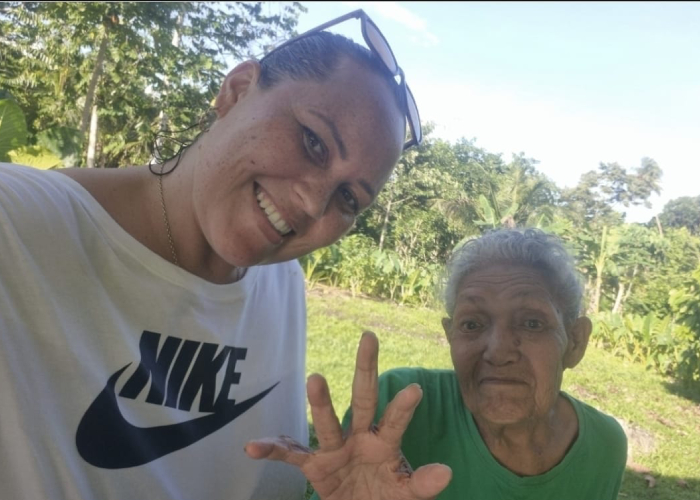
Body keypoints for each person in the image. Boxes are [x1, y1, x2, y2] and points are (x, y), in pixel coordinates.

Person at [0, 9, 422, 500]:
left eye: (348, 198)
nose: (313, 204)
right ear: (236, 91)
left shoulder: (281, 284)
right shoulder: (18, 224)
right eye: (313, 142)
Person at [250, 228, 628, 500]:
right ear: (450, 336)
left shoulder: (604, 446)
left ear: (575, 342)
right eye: (472, 324)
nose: (498, 351)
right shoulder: (400, 408)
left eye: (531, 323)